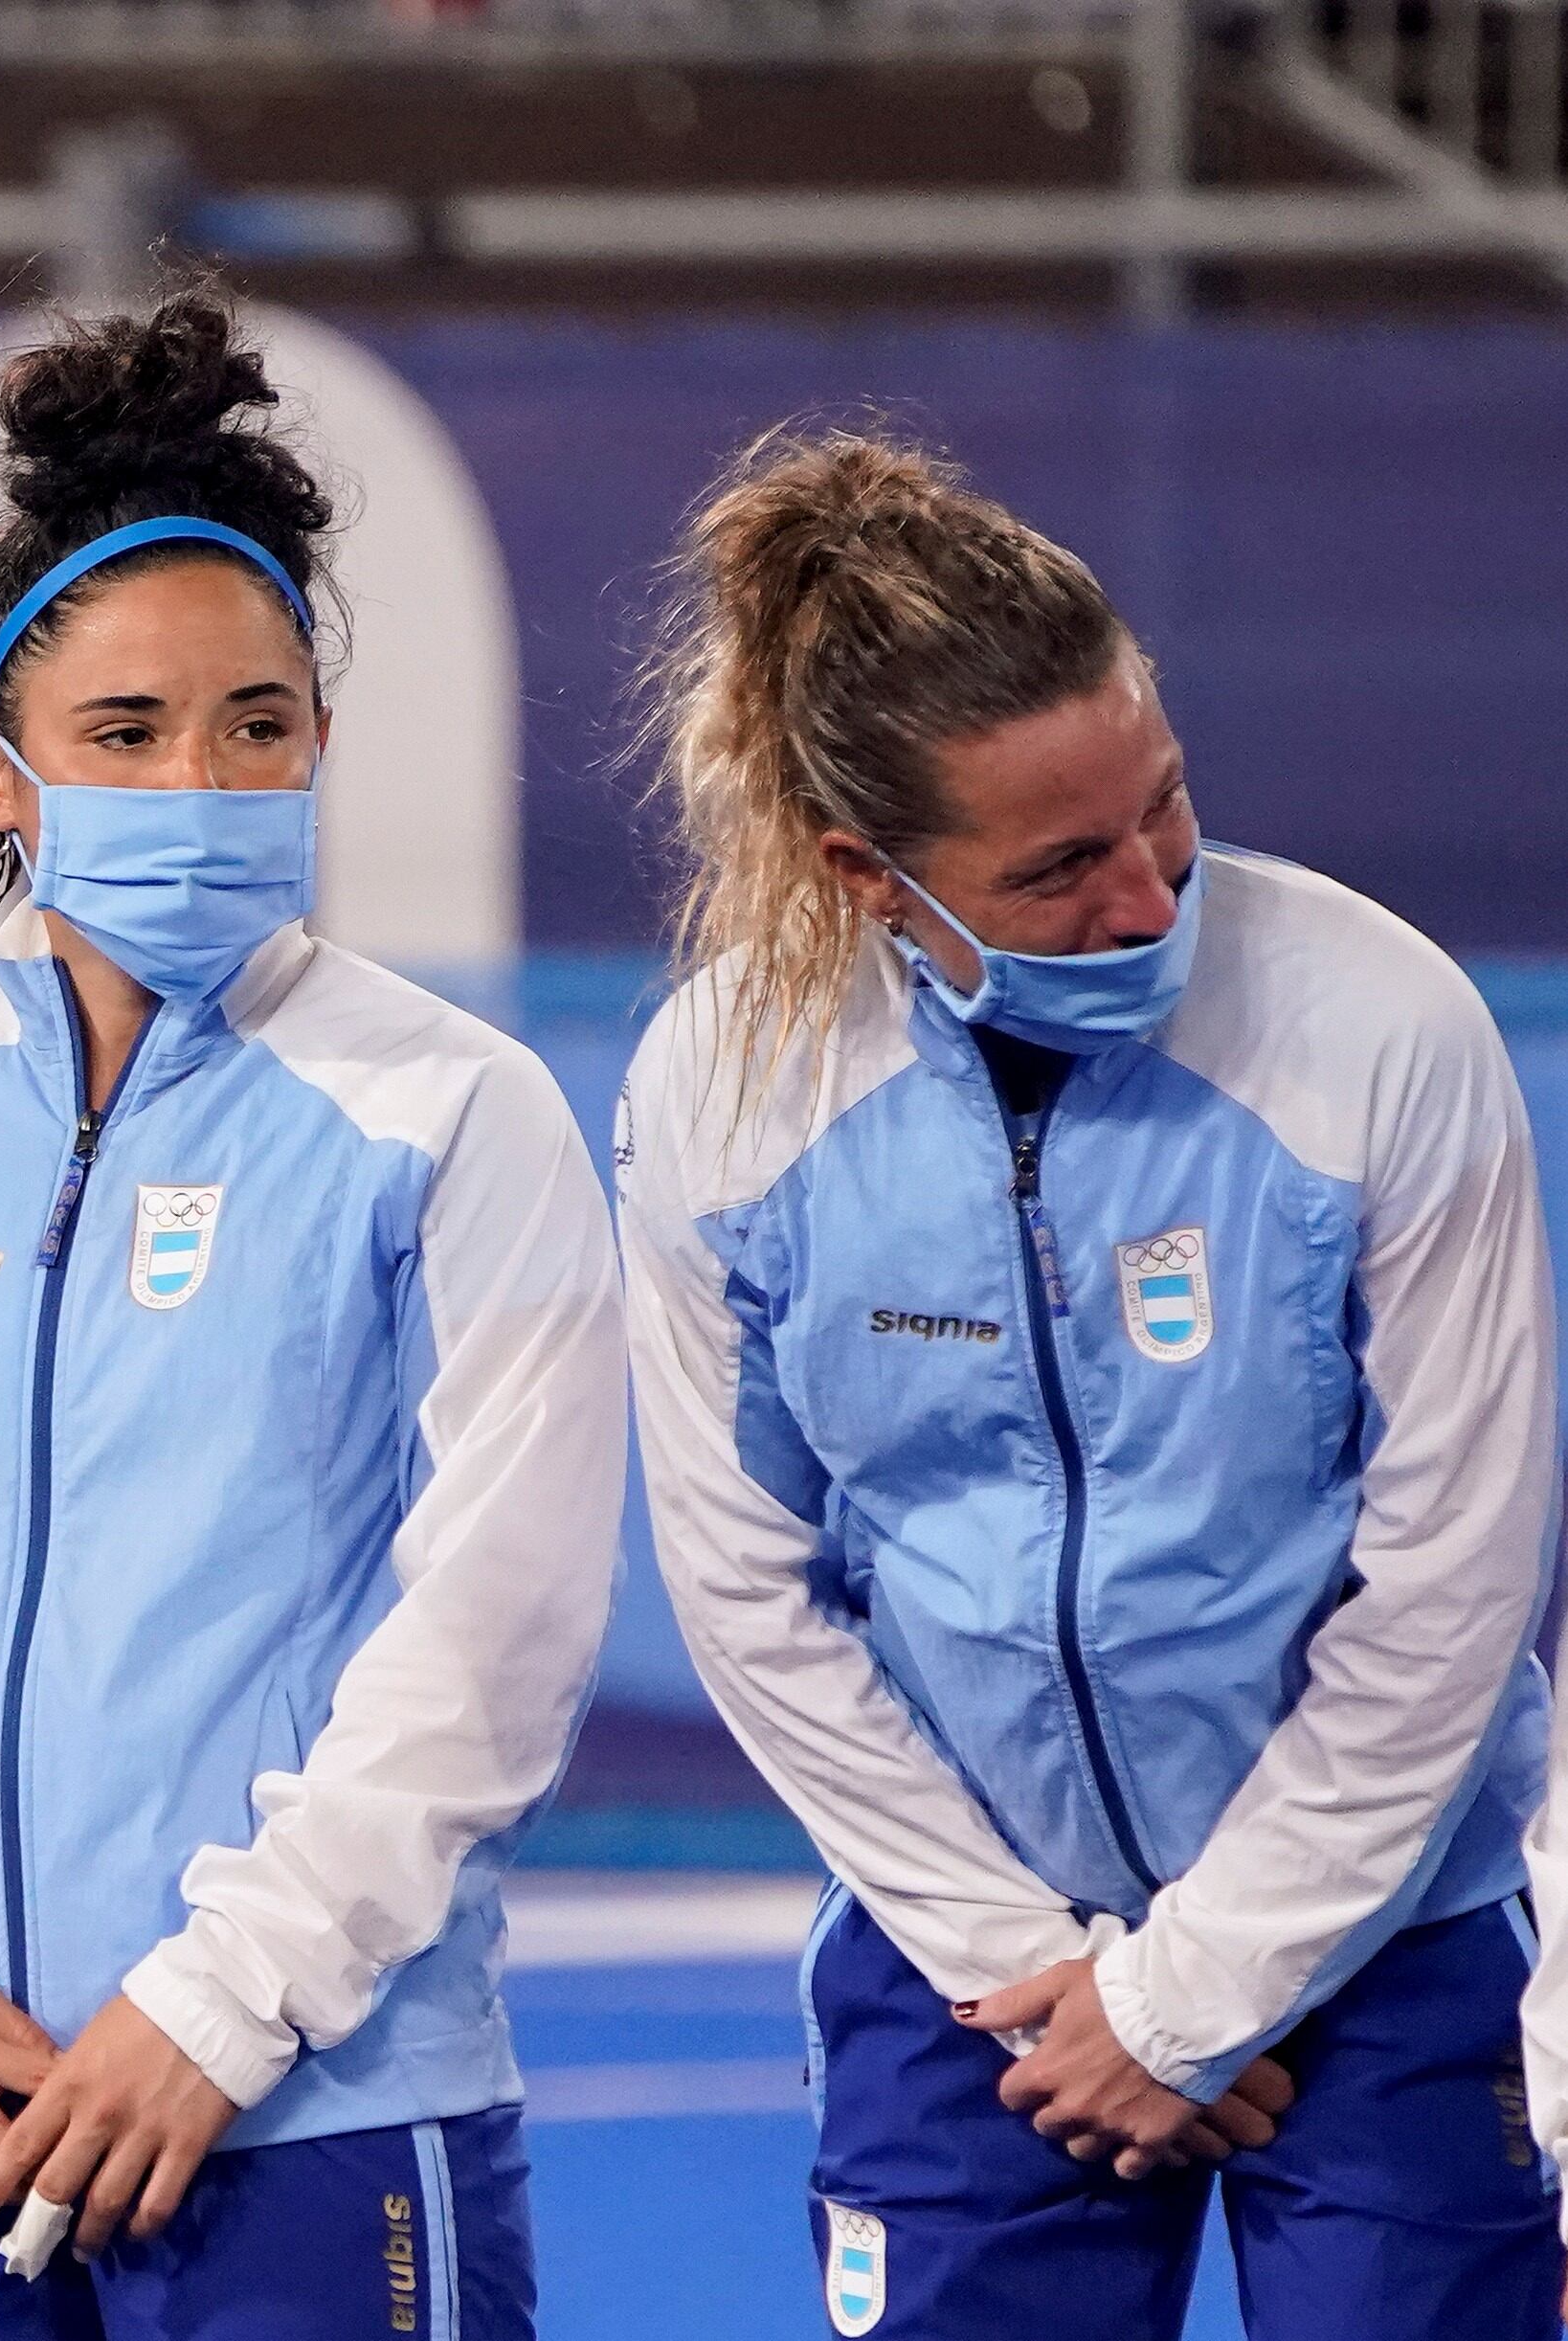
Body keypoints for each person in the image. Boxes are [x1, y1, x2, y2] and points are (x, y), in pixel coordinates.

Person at [0, 288, 626, 2339]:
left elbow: (492, 1646)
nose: (206, 776)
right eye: (127, 733)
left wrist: (215, 2003)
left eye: (258, 723)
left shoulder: (453, 1113)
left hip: (304, 2116)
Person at [616, 426, 1561, 2336]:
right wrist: (1043, 1982)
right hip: (974, 1980)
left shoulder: (1382, 1027)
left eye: (1169, 807)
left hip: (1385, 1946)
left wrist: (1191, 1993)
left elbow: (1454, 1582)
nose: (1148, 893)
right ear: (866, 872)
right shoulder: (723, 1095)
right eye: (1056, 867)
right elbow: (749, 1593)